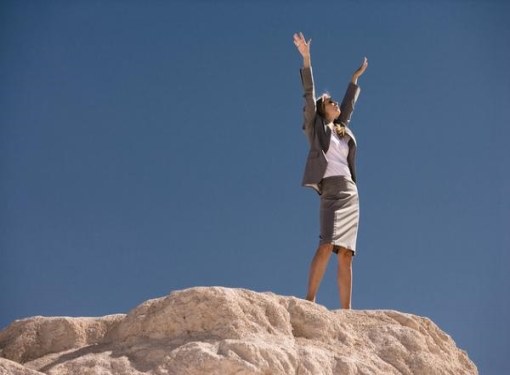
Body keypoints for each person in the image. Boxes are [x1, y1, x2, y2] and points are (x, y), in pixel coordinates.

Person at [293, 32, 368, 309]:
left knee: (346, 253)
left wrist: (354, 79)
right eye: (330, 102)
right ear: (322, 110)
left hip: (350, 193)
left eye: (335, 102)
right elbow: (309, 93)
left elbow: (347, 108)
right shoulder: (316, 128)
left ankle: (346, 312)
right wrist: (306, 58)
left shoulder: (341, 128)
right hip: (330, 190)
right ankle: (310, 300)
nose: (335, 103)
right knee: (326, 244)